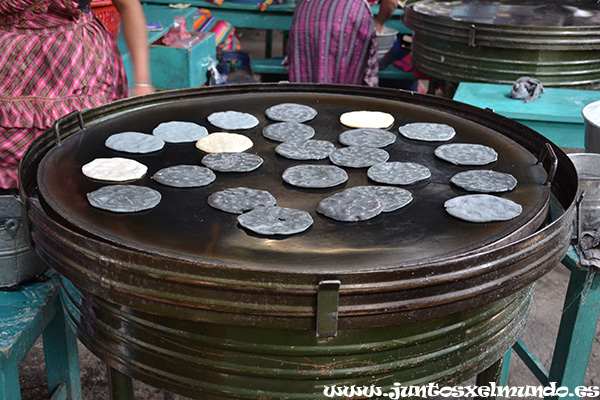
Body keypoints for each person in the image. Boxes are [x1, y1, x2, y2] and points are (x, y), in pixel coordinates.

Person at [0, 0, 154, 190]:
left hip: (78, 67)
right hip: (10, 69)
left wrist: (142, 83)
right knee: (17, 165)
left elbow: (128, 6)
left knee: (83, 156)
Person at [285, 0, 398, 87]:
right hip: (346, 15)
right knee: (346, 79)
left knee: (306, 74)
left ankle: (304, 112)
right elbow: (391, 2)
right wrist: (380, 22)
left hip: (307, 12)